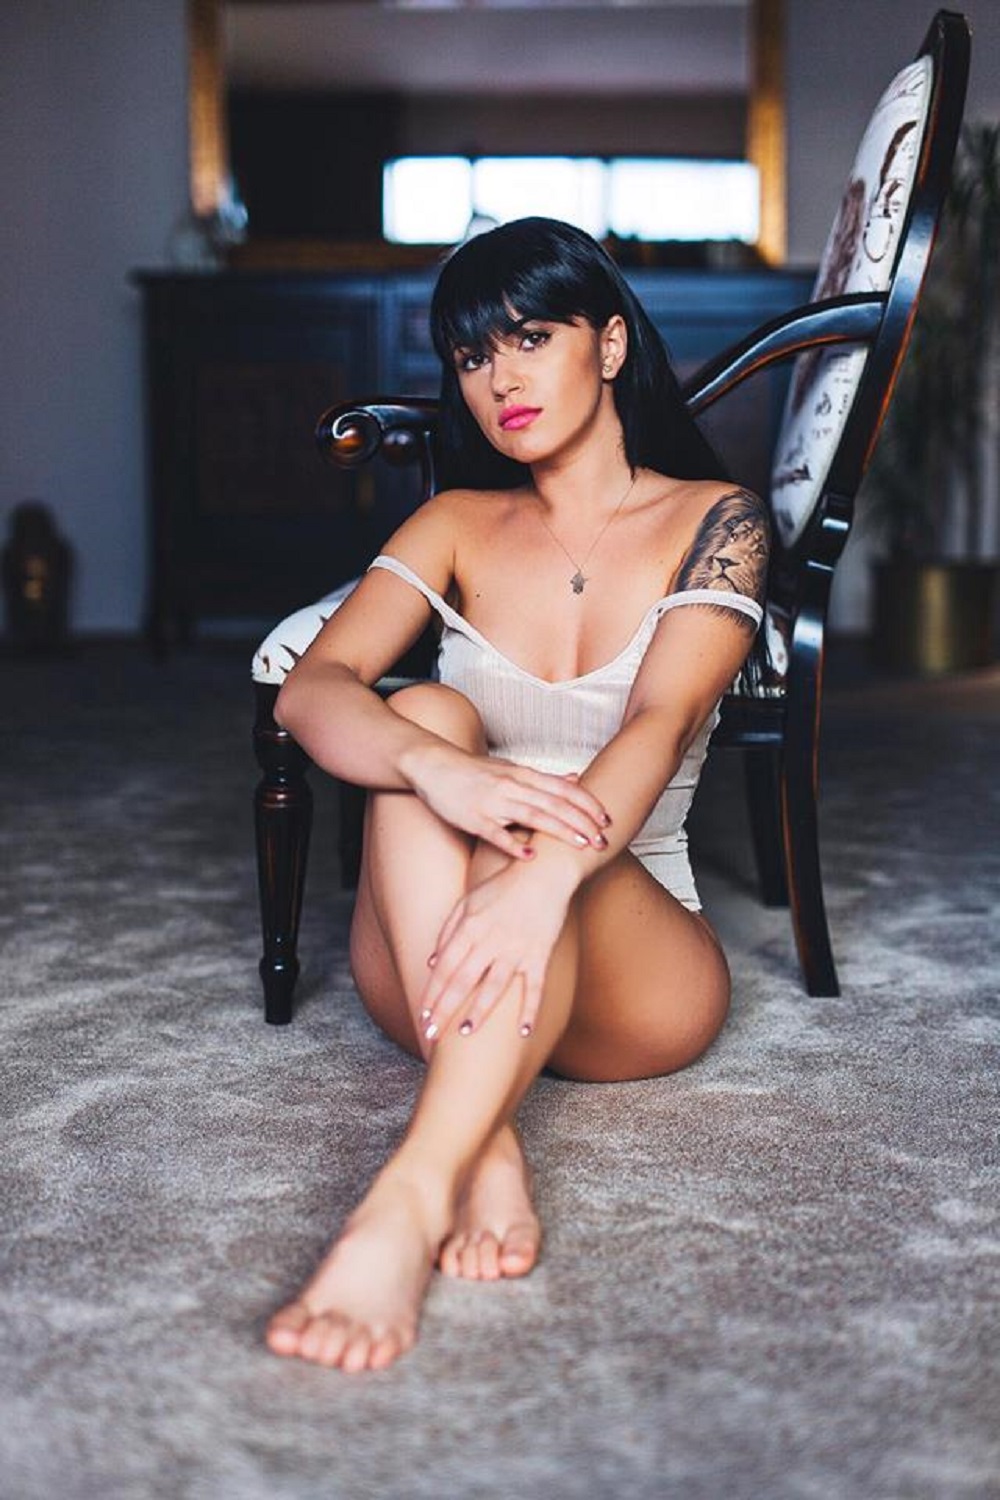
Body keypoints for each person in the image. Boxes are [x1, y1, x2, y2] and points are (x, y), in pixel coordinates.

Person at [265, 217, 769, 1373]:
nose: (499, 380)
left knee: (512, 807)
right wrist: (436, 767)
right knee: (430, 718)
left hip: (631, 970)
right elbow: (311, 693)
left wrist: (539, 881)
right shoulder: (455, 522)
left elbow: (656, 725)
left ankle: (404, 1197)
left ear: (608, 344)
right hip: (434, 964)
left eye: (530, 338)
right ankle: (481, 1142)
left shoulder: (717, 519)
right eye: (470, 356)